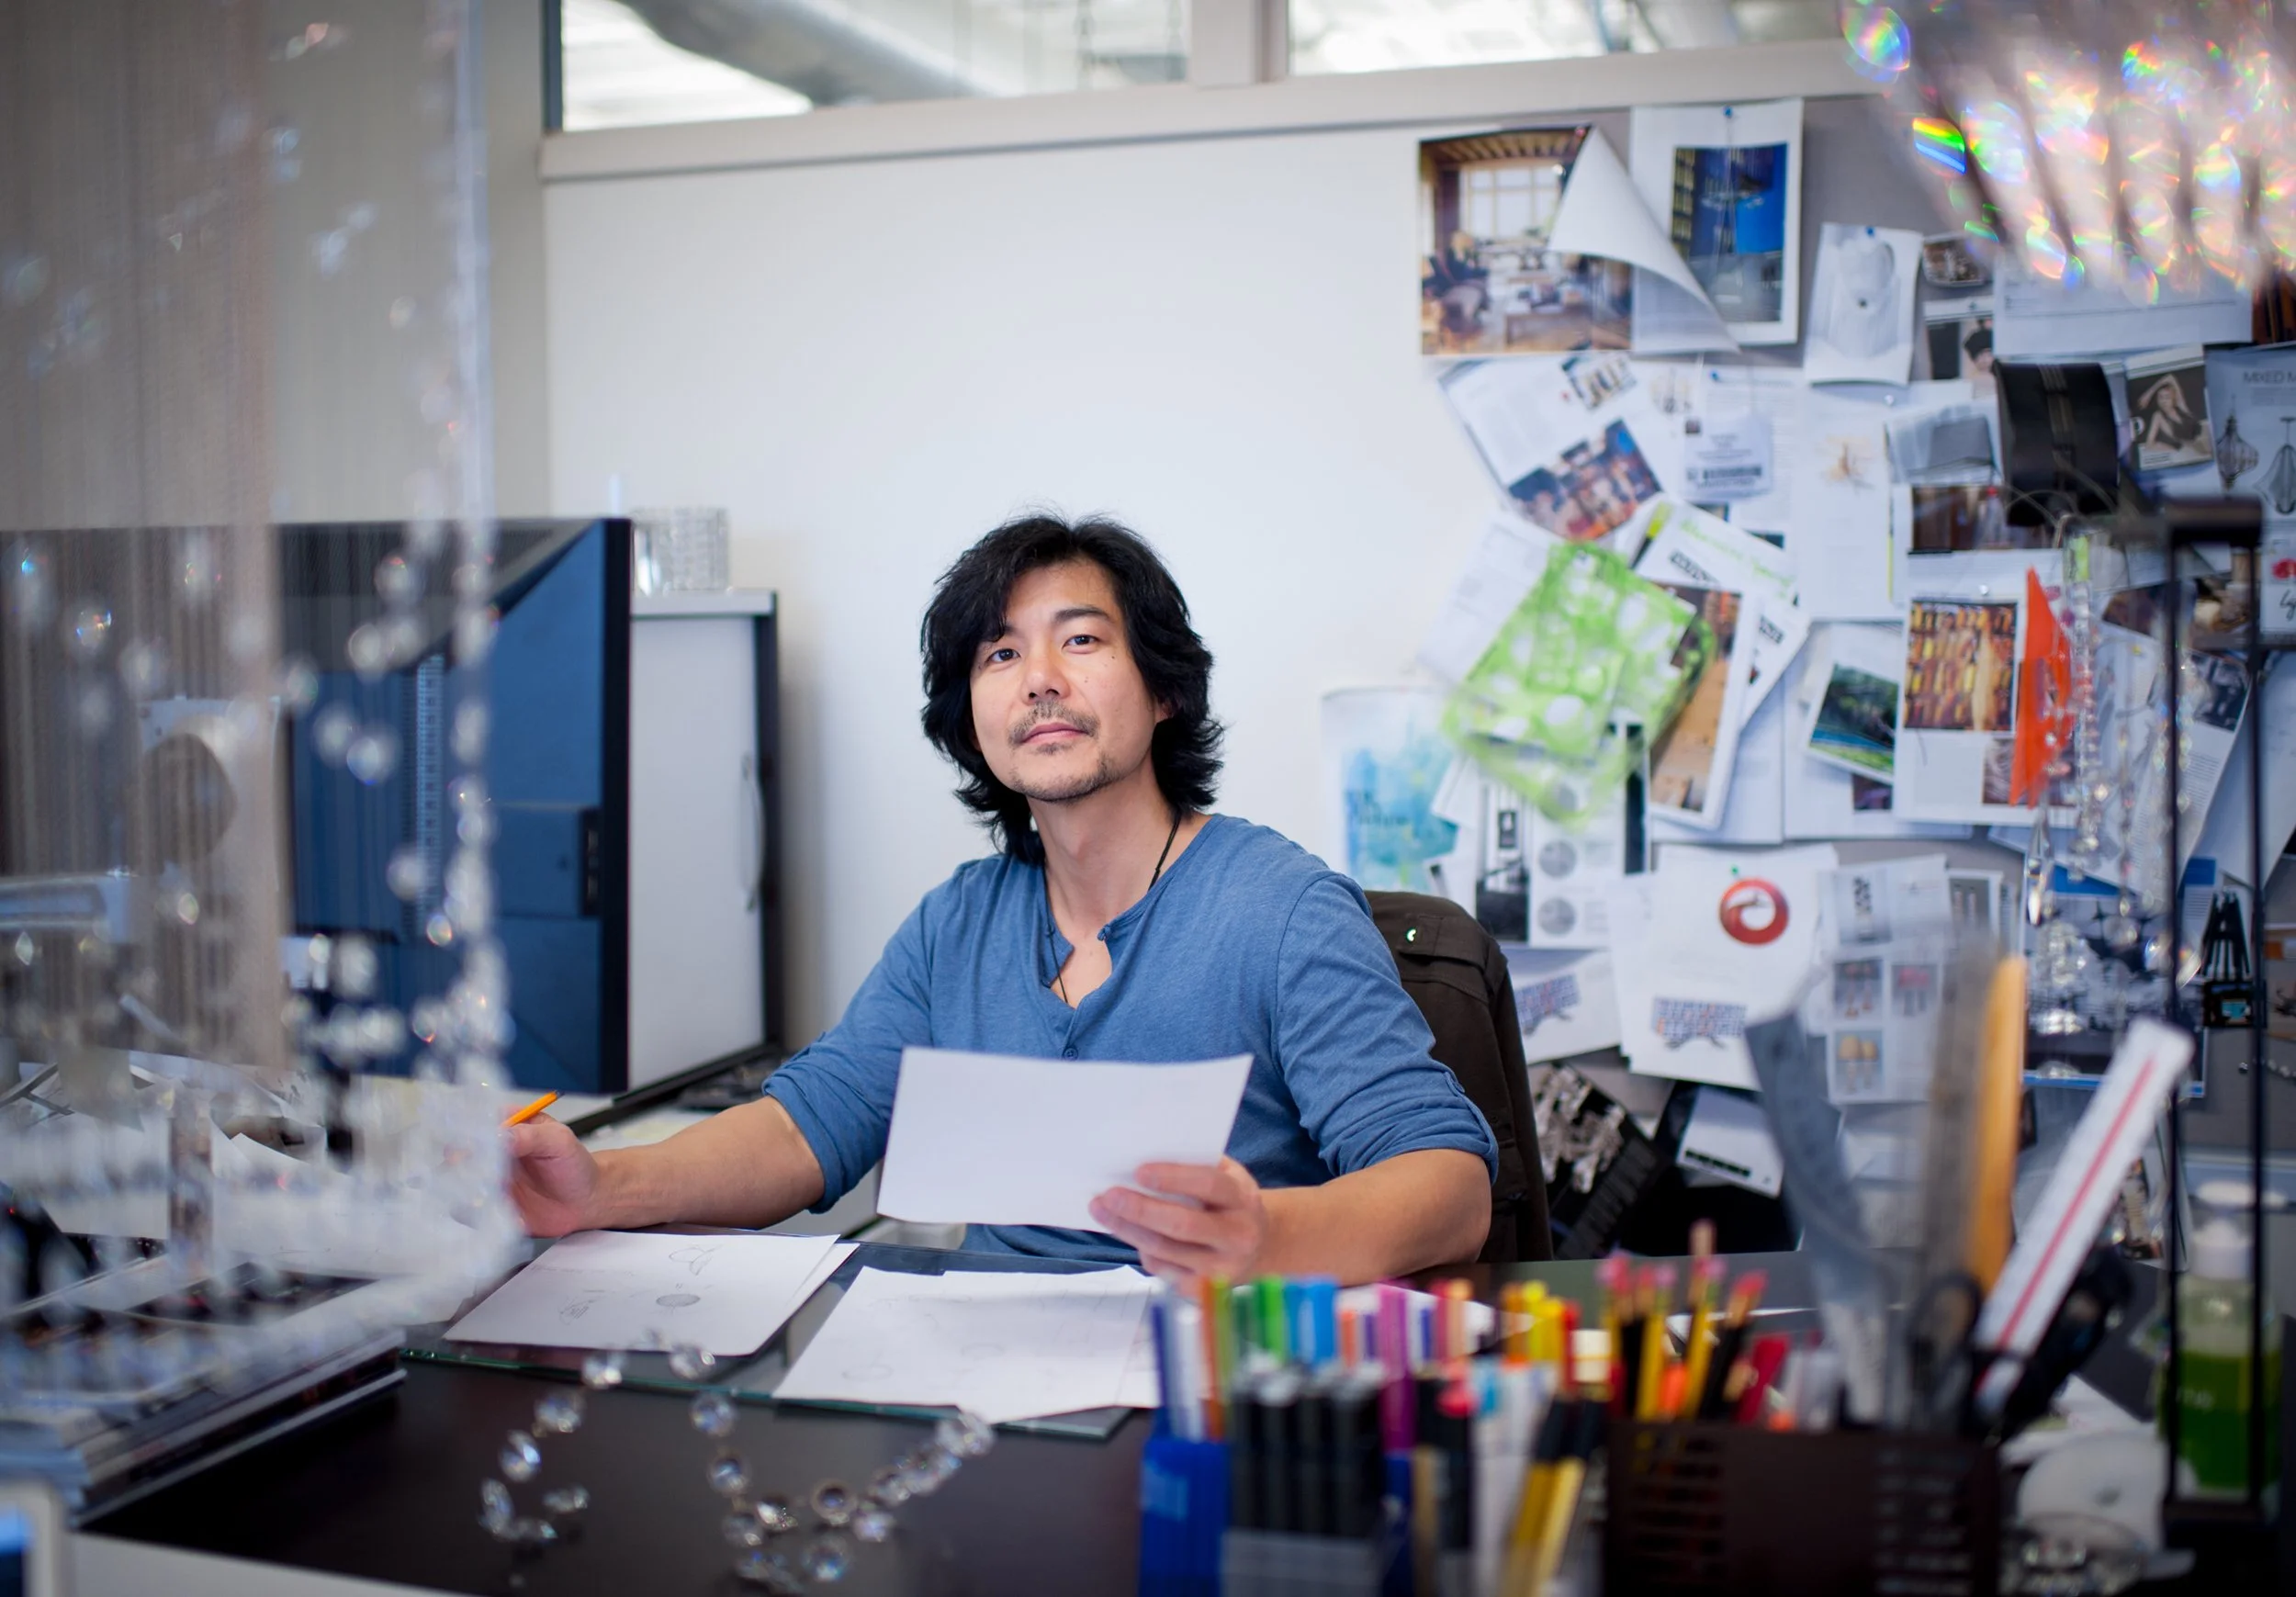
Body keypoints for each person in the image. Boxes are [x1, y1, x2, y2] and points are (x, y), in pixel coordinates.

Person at [509, 514, 1497, 1285]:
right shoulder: (957, 924)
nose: (1040, 680)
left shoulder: (1281, 908)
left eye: (1081, 639)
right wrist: (602, 1187)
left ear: (1162, 693)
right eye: (1000, 655)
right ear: (971, 721)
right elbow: (807, 1125)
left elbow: (1450, 1187)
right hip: (991, 1401)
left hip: (1206, 1390)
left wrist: (1266, 1234)